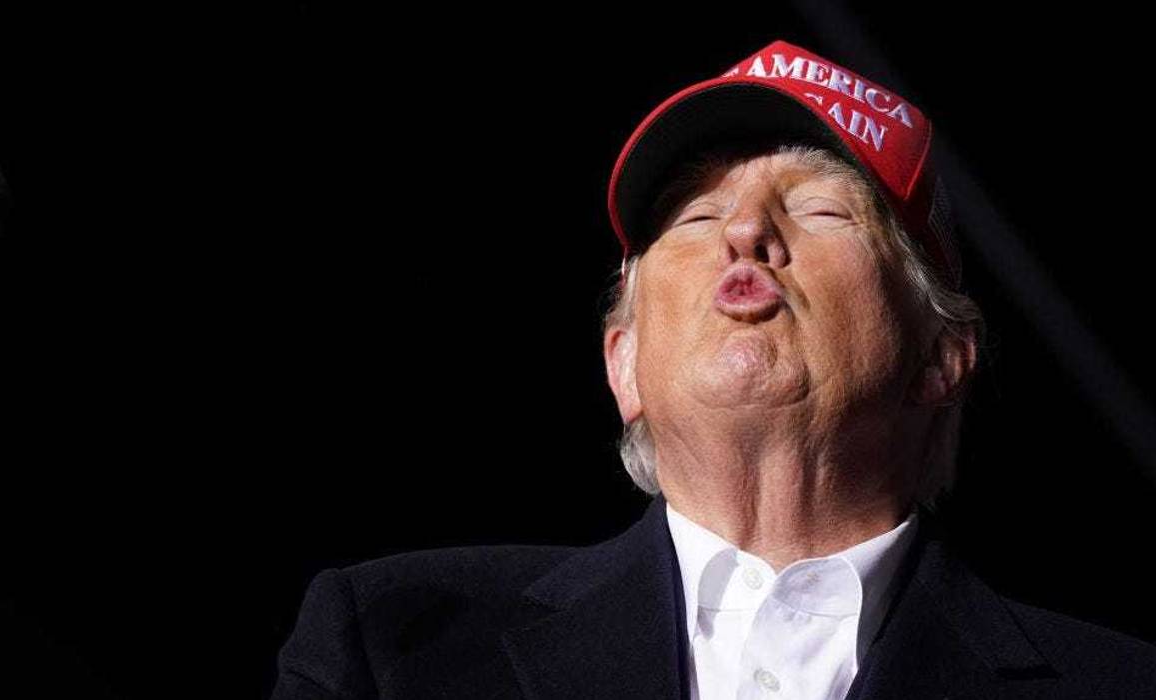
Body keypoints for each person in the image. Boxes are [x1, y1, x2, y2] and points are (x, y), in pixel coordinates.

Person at [269, 39, 1156, 699]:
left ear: (938, 359)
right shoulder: (392, 644)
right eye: (693, 218)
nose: (744, 232)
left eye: (819, 209)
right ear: (625, 367)